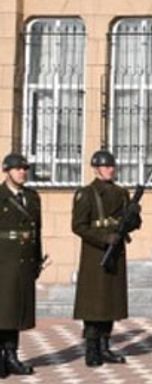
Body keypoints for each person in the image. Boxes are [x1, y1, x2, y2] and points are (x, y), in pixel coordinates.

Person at [72, 150, 137, 367]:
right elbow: (78, 226)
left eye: (112, 166)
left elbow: (132, 223)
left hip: (116, 252)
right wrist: (104, 238)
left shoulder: (121, 193)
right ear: (96, 169)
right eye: (106, 166)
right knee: (94, 303)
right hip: (96, 254)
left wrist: (134, 216)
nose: (110, 170)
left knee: (111, 301)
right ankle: (92, 348)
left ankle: (105, 345)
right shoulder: (86, 194)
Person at [0, 153, 41, 376]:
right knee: (3, 310)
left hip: (24, 262)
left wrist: (36, 260)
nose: (22, 172)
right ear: (7, 171)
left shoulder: (32, 198)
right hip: (4, 262)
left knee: (15, 312)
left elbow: (37, 233)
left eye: (25, 169)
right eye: (18, 169)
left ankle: (12, 356)